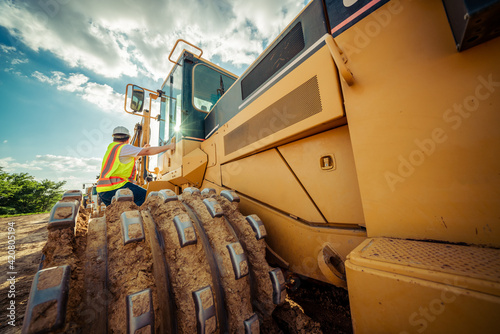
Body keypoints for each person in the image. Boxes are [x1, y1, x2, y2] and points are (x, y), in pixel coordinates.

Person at [96, 126, 175, 207]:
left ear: (114, 138)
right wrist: (169, 146)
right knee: (146, 196)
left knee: (117, 211)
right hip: (115, 187)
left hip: (103, 191)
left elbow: (133, 157)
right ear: (128, 139)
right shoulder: (124, 147)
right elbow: (148, 151)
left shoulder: (112, 148)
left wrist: (142, 149)